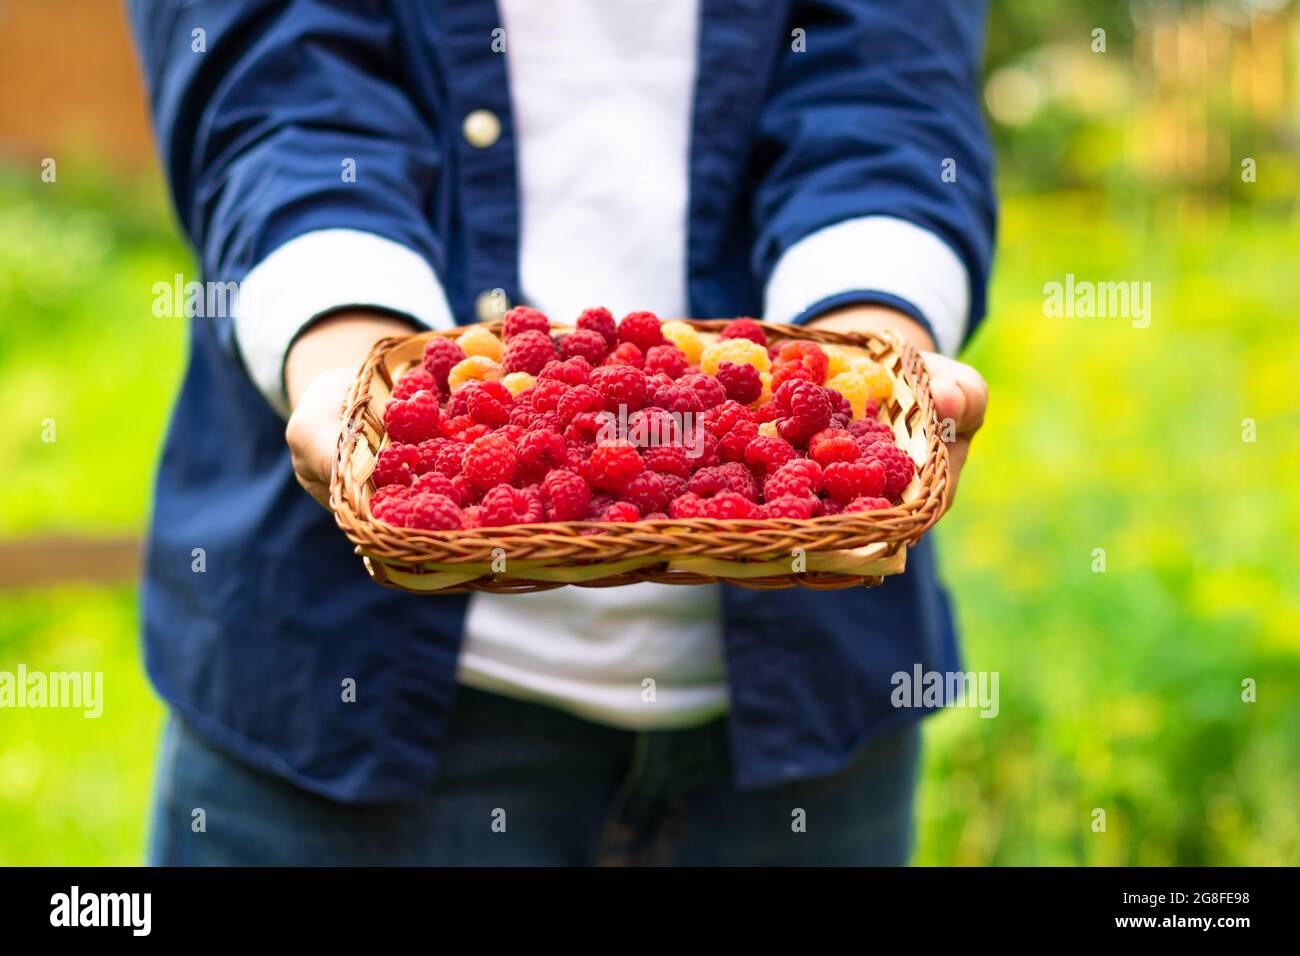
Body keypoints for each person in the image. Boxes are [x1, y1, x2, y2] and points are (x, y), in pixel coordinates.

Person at [130, 0, 994, 865]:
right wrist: (353, 358)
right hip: (340, 710)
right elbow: (280, 92)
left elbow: (887, 90)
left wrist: (866, 354)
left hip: (804, 725)